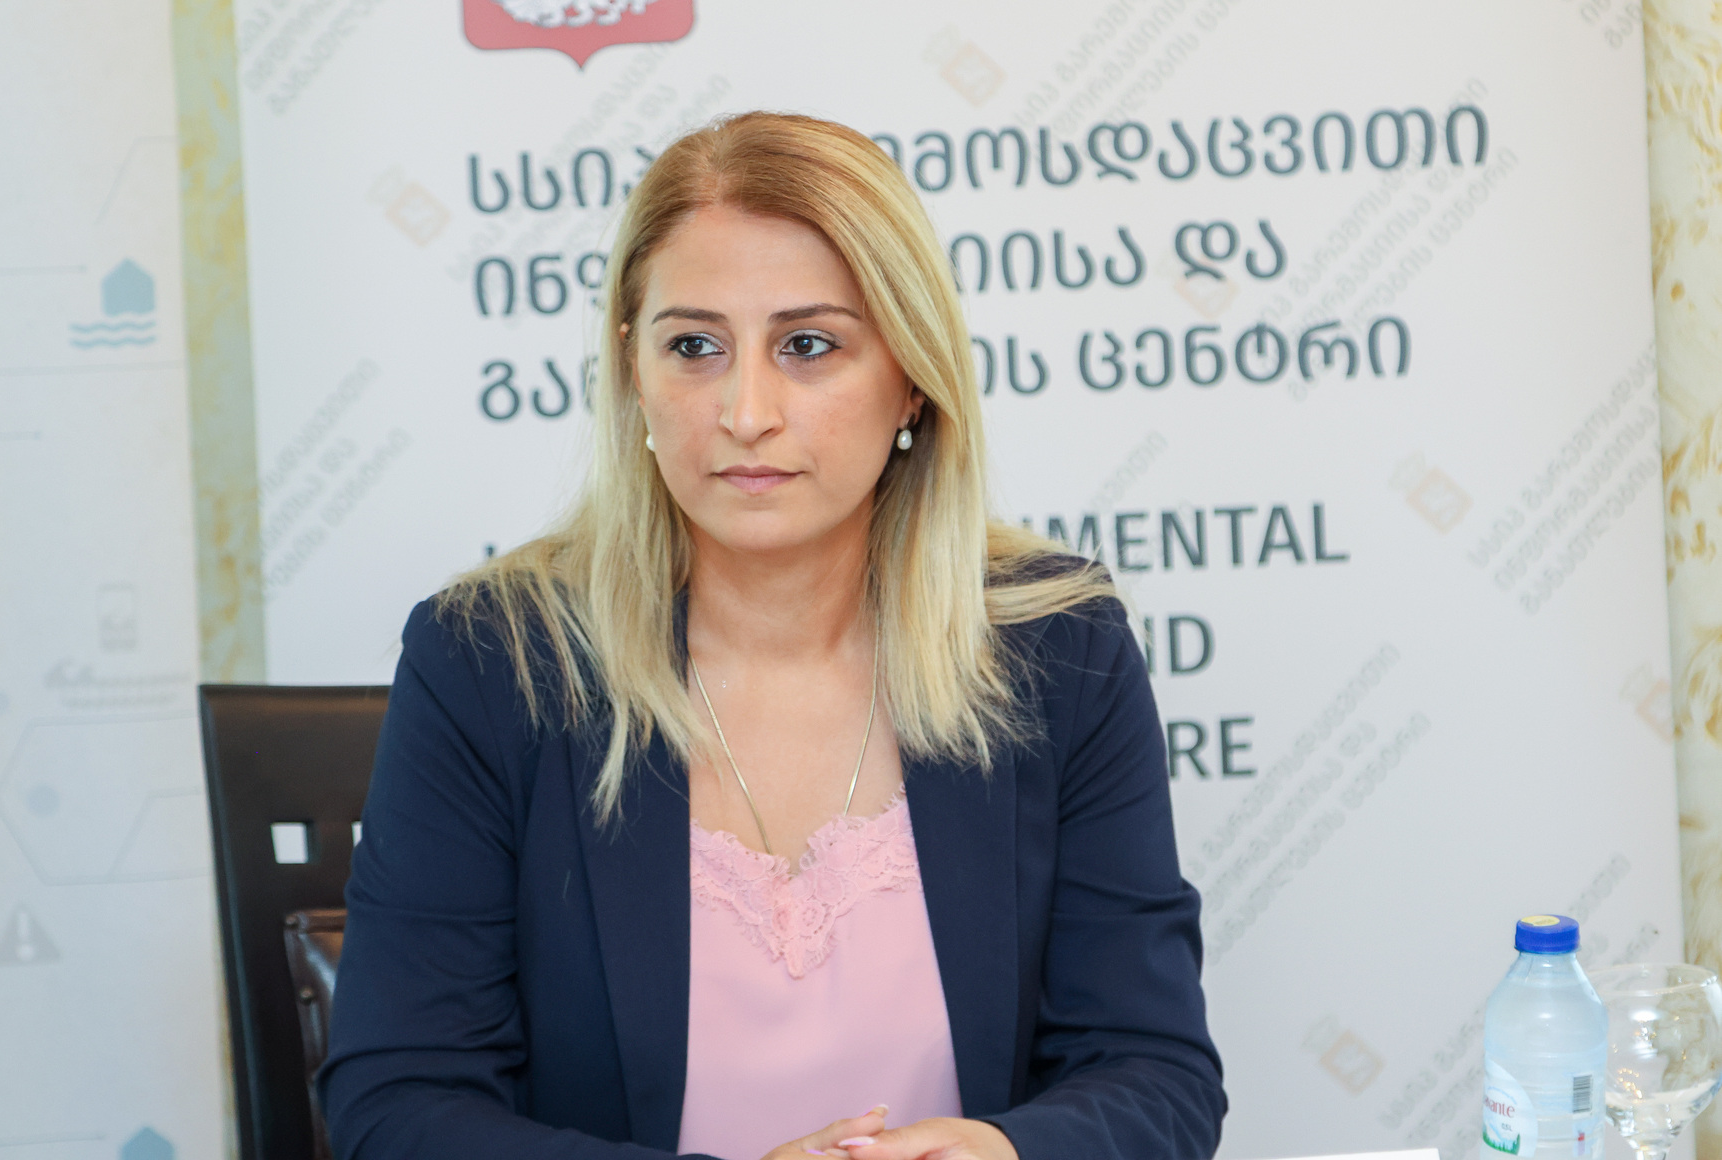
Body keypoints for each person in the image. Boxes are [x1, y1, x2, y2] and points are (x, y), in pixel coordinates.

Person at [318, 110, 1225, 1160]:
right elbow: (399, 1105)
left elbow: (1155, 1073)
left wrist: (1004, 1154)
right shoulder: (492, 662)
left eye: (808, 345)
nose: (746, 411)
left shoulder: (1058, 648)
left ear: (912, 378)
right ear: (634, 371)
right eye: (695, 346)